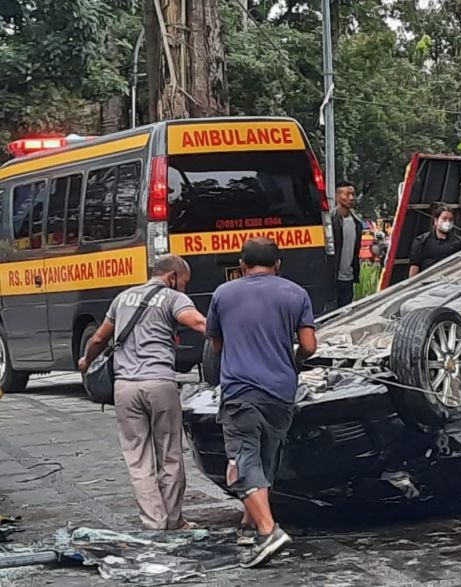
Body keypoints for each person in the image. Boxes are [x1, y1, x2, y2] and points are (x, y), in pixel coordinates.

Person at [206, 237, 317, 568]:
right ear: (278, 264)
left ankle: (269, 531)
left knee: (241, 463)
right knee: (265, 460)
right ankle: (252, 524)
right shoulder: (296, 293)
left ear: (241, 264)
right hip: (281, 392)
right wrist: (292, 360)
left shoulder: (223, 294)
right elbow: (310, 346)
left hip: (241, 392)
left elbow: (214, 346)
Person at [79, 255, 207, 530]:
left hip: (125, 387)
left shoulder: (122, 298)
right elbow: (199, 324)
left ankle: (153, 523)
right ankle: (174, 520)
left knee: (137, 458)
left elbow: (100, 338)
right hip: (159, 382)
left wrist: (86, 362)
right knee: (170, 453)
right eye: (183, 283)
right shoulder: (174, 298)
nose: (184, 288)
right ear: (173, 277)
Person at [409, 206, 461, 278]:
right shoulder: (422, 241)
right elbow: (414, 267)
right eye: (444, 219)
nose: (447, 222)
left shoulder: (460, 243)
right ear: (436, 221)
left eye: (450, 220)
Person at [331, 181, 363, 308]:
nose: (351, 198)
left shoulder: (356, 222)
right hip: (333, 278)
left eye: (353, 195)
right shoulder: (331, 221)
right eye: (347, 194)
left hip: (348, 278)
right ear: (338, 196)